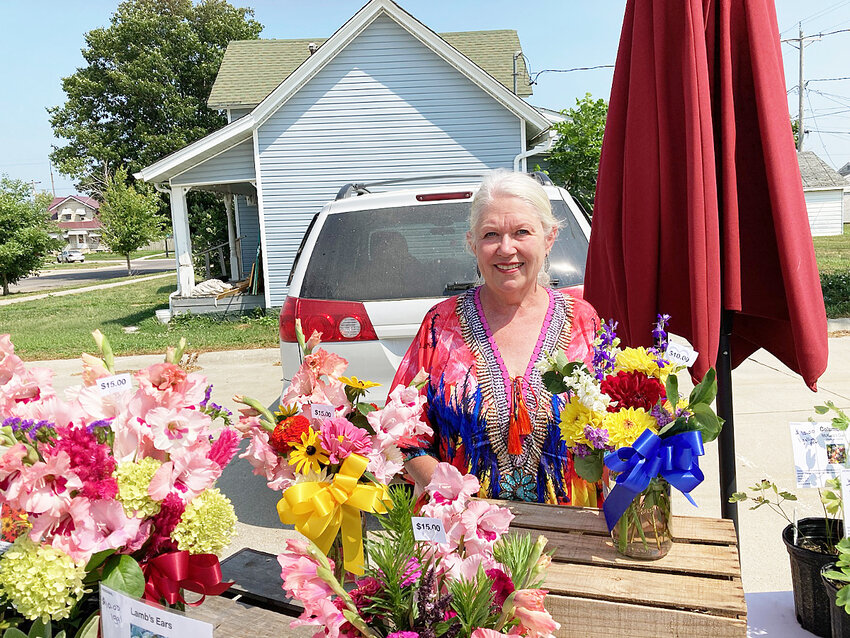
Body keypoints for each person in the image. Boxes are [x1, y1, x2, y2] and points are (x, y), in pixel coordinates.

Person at [391, 170, 602, 506]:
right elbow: (402, 431)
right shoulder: (440, 324)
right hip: (463, 536)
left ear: (549, 238)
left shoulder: (583, 320)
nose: (507, 249)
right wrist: (456, 498)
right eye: (491, 235)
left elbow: (615, 426)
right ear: (473, 244)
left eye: (522, 232)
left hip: (570, 531)